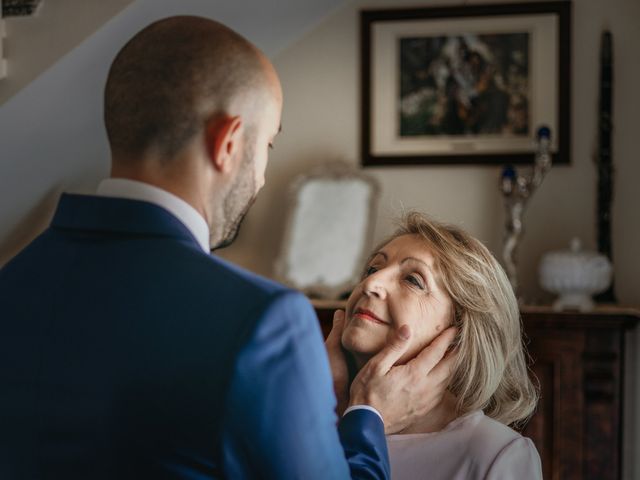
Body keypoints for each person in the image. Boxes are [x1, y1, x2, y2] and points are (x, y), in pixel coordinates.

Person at [0, 16, 456, 480]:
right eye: (269, 146)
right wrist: (369, 416)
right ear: (229, 142)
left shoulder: (11, 282)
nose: (260, 179)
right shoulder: (263, 321)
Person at [326, 212, 542, 479]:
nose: (370, 284)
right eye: (373, 269)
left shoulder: (497, 454)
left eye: (413, 280)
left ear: (462, 331)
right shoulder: (312, 424)